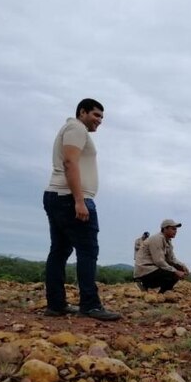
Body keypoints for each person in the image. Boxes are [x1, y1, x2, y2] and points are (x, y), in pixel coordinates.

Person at [43, 98, 121, 321]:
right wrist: (79, 200)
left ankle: (56, 304)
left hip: (57, 196)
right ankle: (90, 305)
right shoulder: (76, 128)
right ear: (82, 112)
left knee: (59, 251)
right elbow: (70, 162)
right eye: (95, 115)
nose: (99, 121)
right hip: (69, 198)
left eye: (102, 117)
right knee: (87, 251)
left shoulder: (71, 129)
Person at [134, 219, 190, 292]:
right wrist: (175, 271)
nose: (175, 231)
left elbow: (171, 259)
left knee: (178, 268)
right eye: (173, 229)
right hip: (145, 271)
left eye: (176, 229)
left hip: (153, 269)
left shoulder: (168, 241)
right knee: (173, 273)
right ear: (165, 229)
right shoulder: (157, 239)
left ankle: (163, 293)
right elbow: (159, 261)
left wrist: (183, 266)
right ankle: (143, 284)